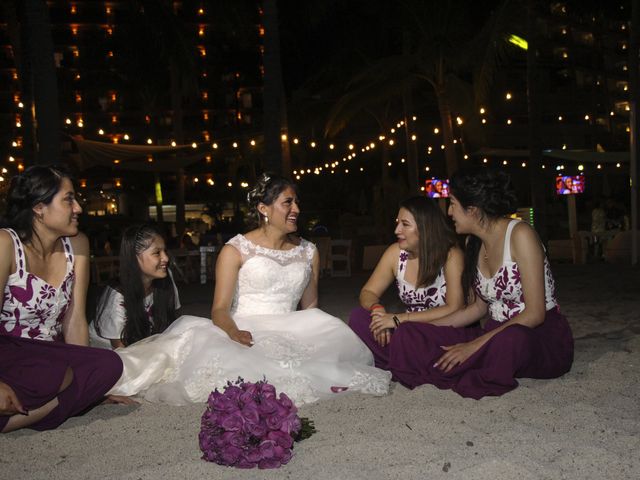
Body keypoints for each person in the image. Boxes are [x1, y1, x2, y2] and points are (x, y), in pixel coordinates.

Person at [108, 173, 390, 405]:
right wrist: (234, 333)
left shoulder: (308, 251)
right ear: (264, 209)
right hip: (242, 327)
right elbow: (219, 309)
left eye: (297, 203)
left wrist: (318, 342)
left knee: (320, 370)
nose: (297, 210)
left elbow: (311, 308)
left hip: (294, 327)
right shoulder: (235, 250)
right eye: (287, 203)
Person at [387, 169, 574, 399]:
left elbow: (535, 314)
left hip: (536, 336)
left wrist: (474, 345)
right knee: (410, 333)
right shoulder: (473, 242)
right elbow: (477, 308)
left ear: (472, 210)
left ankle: (463, 365)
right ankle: (461, 361)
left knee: (509, 340)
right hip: (494, 332)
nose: (449, 211)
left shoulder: (520, 235)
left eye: (453, 204)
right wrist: (430, 329)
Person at [0, 165, 124, 433]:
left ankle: (16, 418)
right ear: (38, 207)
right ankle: (59, 401)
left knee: (108, 364)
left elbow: (76, 319)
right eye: (68, 199)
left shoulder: (77, 245)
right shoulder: (5, 244)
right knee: (53, 374)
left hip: (51, 358)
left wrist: (88, 373)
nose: (78, 208)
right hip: (9, 354)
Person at [348, 196, 464, 369]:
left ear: (426, 227)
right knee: (358, 317)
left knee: (406, 334)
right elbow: (368, 292)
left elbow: (455, 307)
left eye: (405, 224)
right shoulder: (395, 253)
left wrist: (398, 320)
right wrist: (377, 310)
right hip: (405, 329)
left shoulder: (451, 255)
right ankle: (404, 358)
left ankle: (402, 359)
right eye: (397, 223)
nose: (397, 230)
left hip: (440, 329)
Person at [89, 224, 180, 349]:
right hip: (111, 356)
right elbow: (121, 353)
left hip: (146, 346)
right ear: (135, 257)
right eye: (157, 253)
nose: (166, 258)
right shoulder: (118, 297)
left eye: (165, 251)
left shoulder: (165, 279)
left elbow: (173, 324)